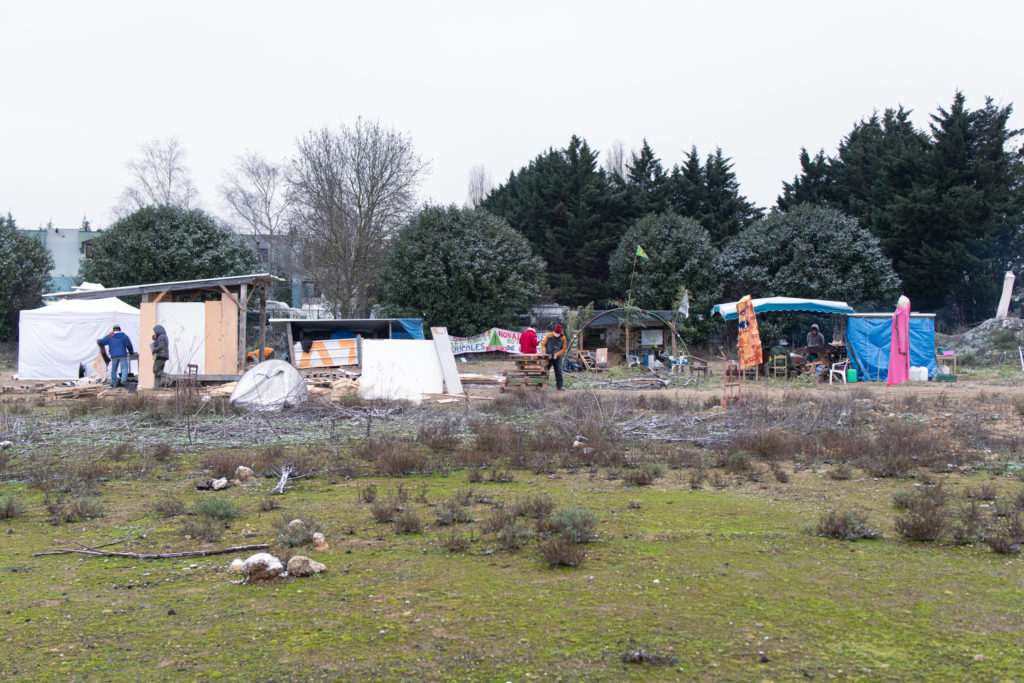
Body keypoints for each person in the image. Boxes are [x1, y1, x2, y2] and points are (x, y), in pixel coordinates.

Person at [97, 323, 134, 388]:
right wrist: (131, 352)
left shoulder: (110, 336)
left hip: (114, 355)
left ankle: (114, 383)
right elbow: (129, 344)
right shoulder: (124, 336)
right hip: (123, 354)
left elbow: (102, 342)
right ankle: (123, 380)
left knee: (114, 369)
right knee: (124, 367)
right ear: (120, 329)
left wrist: (98, 341)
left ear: (113, 329)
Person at [541, 324, 568, 390]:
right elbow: (543, 344)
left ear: (560, 332)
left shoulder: (563, 338)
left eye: (557, 333)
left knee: (558, 371)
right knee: (545, 370)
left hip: (557, 357)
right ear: (554, 331)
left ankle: (560, 386)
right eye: (555, 333)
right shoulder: (549, 335)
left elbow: (564, 348)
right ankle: (542, 385)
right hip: (548, 356)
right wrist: (544, 351)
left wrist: (557, 354)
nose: (556, 334)